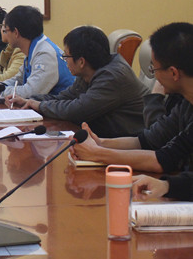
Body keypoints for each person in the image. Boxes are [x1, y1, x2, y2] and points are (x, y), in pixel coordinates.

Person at [72, 22, 193, 173]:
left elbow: (164, 160)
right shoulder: (185, 103)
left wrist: (97, 154)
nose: (155, 77)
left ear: (173, 73)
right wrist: (100, 143)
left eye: (153, 69)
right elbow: (147, 140)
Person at [8, 26, 148, 138]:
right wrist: (30, 100)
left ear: (81, 61)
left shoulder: (112, 77)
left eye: (66, 56)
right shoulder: (89, 70)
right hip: (106, 137)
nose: (65, 60)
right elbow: (65, 97)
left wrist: (40, 106)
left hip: (130, 144)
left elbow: (77, 110)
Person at [0, 5, 74, 98]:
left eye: (6, 30)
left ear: (16, 32)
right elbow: (19, 80)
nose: (5, 34)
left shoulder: (45, 54)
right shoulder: (33, 48)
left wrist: (0, 91)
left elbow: (31, 93)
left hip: (60, 105)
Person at [0, 16, 25, 83]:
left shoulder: (21, 52)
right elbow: (1, 70)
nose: (1, 30)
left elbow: (7, 78)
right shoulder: (10, 48)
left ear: (15, 31)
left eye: (2, 26)